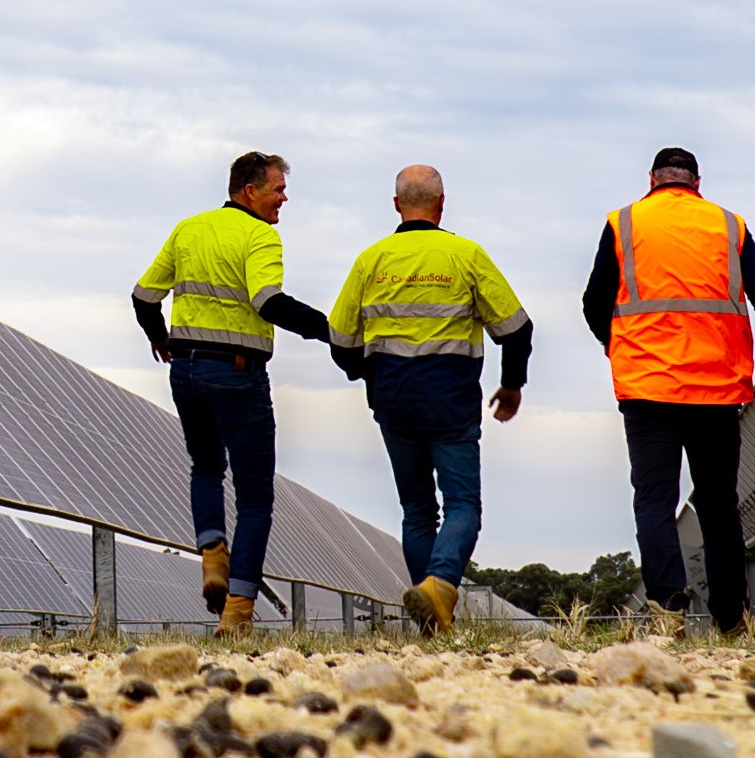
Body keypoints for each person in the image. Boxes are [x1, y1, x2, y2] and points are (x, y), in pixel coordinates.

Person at [583, 146, 755, 633]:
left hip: (646, 387)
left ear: (652, 180)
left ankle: (667, 609)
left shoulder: (624, 223)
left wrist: (616, 343)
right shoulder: (729, 226)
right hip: (717, 389)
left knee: (654, 501)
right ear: (697, 182)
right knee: (718, 503)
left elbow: (592, 301)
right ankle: (732, 619)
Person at [133, 152, 339, 636]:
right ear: (250, 191)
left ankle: (211, 555)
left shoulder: (189, 229)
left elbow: (144, 297)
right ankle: (238, 612)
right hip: (239, 375)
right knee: (254, 498)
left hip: (184, 371)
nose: (284, 198)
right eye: (277, 189)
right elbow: (267, 301)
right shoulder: (261, 235)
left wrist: (159, 338)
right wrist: (330, 331)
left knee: (205, 467)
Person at [326, 165, 534, 636]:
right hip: (452, 400)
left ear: (397, 205)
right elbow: (517, 328)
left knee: (418, 510)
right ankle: (441, 584)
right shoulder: (465, 255)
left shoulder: (371, 260)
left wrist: (367, 374)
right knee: (462, 504)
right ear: (442, 204)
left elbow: (340, 340)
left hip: (395, 401)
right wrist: (512, 384)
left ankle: (432, 623)